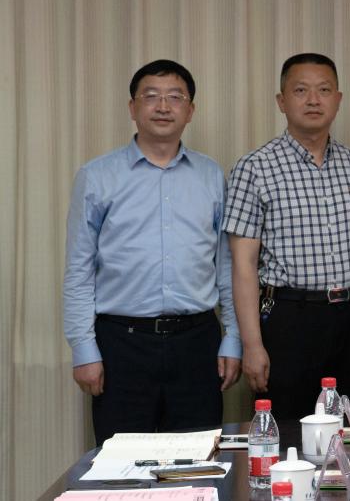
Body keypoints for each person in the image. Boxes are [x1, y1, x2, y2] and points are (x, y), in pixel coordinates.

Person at [63, 59, 240, 444]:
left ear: (190, 111)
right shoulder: (97, 176)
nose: (163, 106)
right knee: (121, 464)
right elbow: (79, 269)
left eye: (175, 97)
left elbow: (226, 265)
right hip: (121, 343)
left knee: (197, 460)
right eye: (151, 96)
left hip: (197, 342)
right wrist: (84, 348)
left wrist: (233, 338)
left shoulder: (211, 175)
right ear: (132, 107)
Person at [224, 53, 350, 418]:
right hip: (289, 318)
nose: (313, 100)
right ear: (281, 101)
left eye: (324, 90)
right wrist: (252, 345)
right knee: (287, 429)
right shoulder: (255, 168)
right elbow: (244, 265)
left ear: (338, 100)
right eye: (301, 91)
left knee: (347, 429)